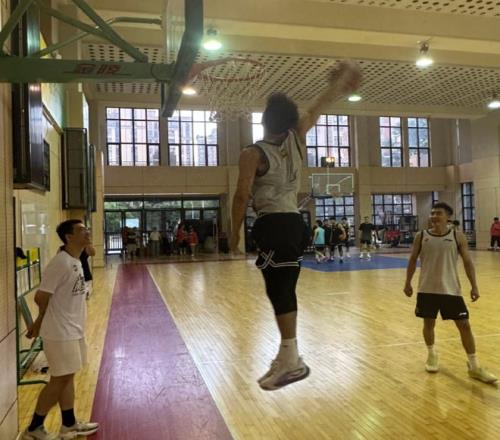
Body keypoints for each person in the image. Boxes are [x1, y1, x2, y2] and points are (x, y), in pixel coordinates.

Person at [230, 61, 361, 390]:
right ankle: (287, 355)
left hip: (273, 223)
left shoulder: (252, 153)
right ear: (289, 122)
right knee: (279, 290)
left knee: (280, 291)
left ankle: (292, 360)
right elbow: (317, 108)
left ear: (264, 120)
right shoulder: (296, 138)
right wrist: (338, 84)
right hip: (293, 222)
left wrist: (233, 236)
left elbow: (241, 196)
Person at [22, 220, 99, 440]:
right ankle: (34, 428)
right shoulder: (61, 263)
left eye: (87, 229)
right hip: (59, 333)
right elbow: (41, 297)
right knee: (59, 379)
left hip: (73, 330)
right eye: (82, 230)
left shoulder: (75, 260)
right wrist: (38, 323)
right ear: (69, 237)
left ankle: (69, 424)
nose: (87, 232)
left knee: (67, 378)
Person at [404, 203, 496, 384]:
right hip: (427, 289)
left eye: (438, 213)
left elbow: (468, 262)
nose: (434, 216)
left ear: (448, 217)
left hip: (451, 289)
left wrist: (474, 286)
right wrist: (407, 282)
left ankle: (474, 366)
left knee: (465, 325)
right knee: (428, 324)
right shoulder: (421, 236)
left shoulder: (457, 236)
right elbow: (413, 259)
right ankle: (432, 354)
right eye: (432, 213)